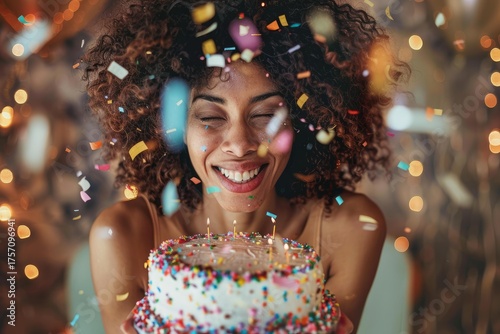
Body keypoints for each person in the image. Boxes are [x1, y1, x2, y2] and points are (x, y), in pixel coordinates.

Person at [83, 0, 408, 332]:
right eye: (210, 118)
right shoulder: (123, 236)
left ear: (303, 120)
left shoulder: (351, 227)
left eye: (266, 114)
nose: (239, 144)